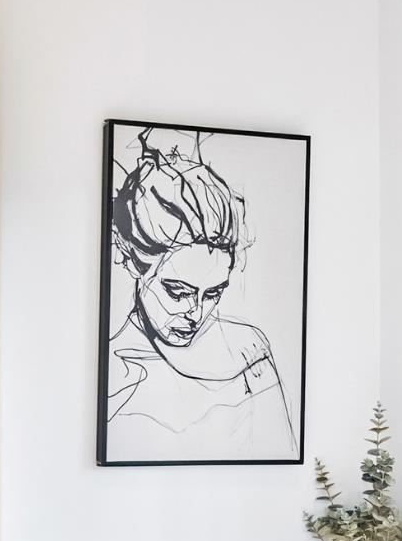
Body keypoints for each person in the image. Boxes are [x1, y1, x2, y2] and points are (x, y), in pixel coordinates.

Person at [104, 128, 294, 459]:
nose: (196, 313)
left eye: (213, 293)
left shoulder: (249, 351)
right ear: (136, 264)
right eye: (177, 292)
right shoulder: (117, 372)